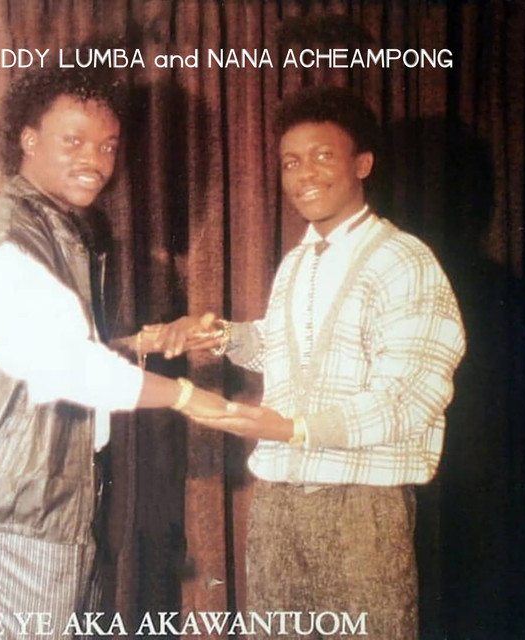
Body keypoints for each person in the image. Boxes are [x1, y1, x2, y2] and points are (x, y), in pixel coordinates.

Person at [144, 86, 466, 638]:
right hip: (278, 506)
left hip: (361, 509)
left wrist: (293, 429)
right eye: (292, 162)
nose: (304, 174)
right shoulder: (298, 262)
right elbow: (287, 349)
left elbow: (410, 398)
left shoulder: (404, 260)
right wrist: (220, 336)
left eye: (322, 156)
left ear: (362, 164)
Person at [0, 58, 231, 639]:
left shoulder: (53, 226)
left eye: (107, 146)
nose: (95, 160)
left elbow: (40, 352)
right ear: (28, 139)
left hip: (45, 502)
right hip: (24, 510)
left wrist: (137, 345)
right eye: (74, 141)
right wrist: (185, 396)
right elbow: (64, 367)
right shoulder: (8, 239)